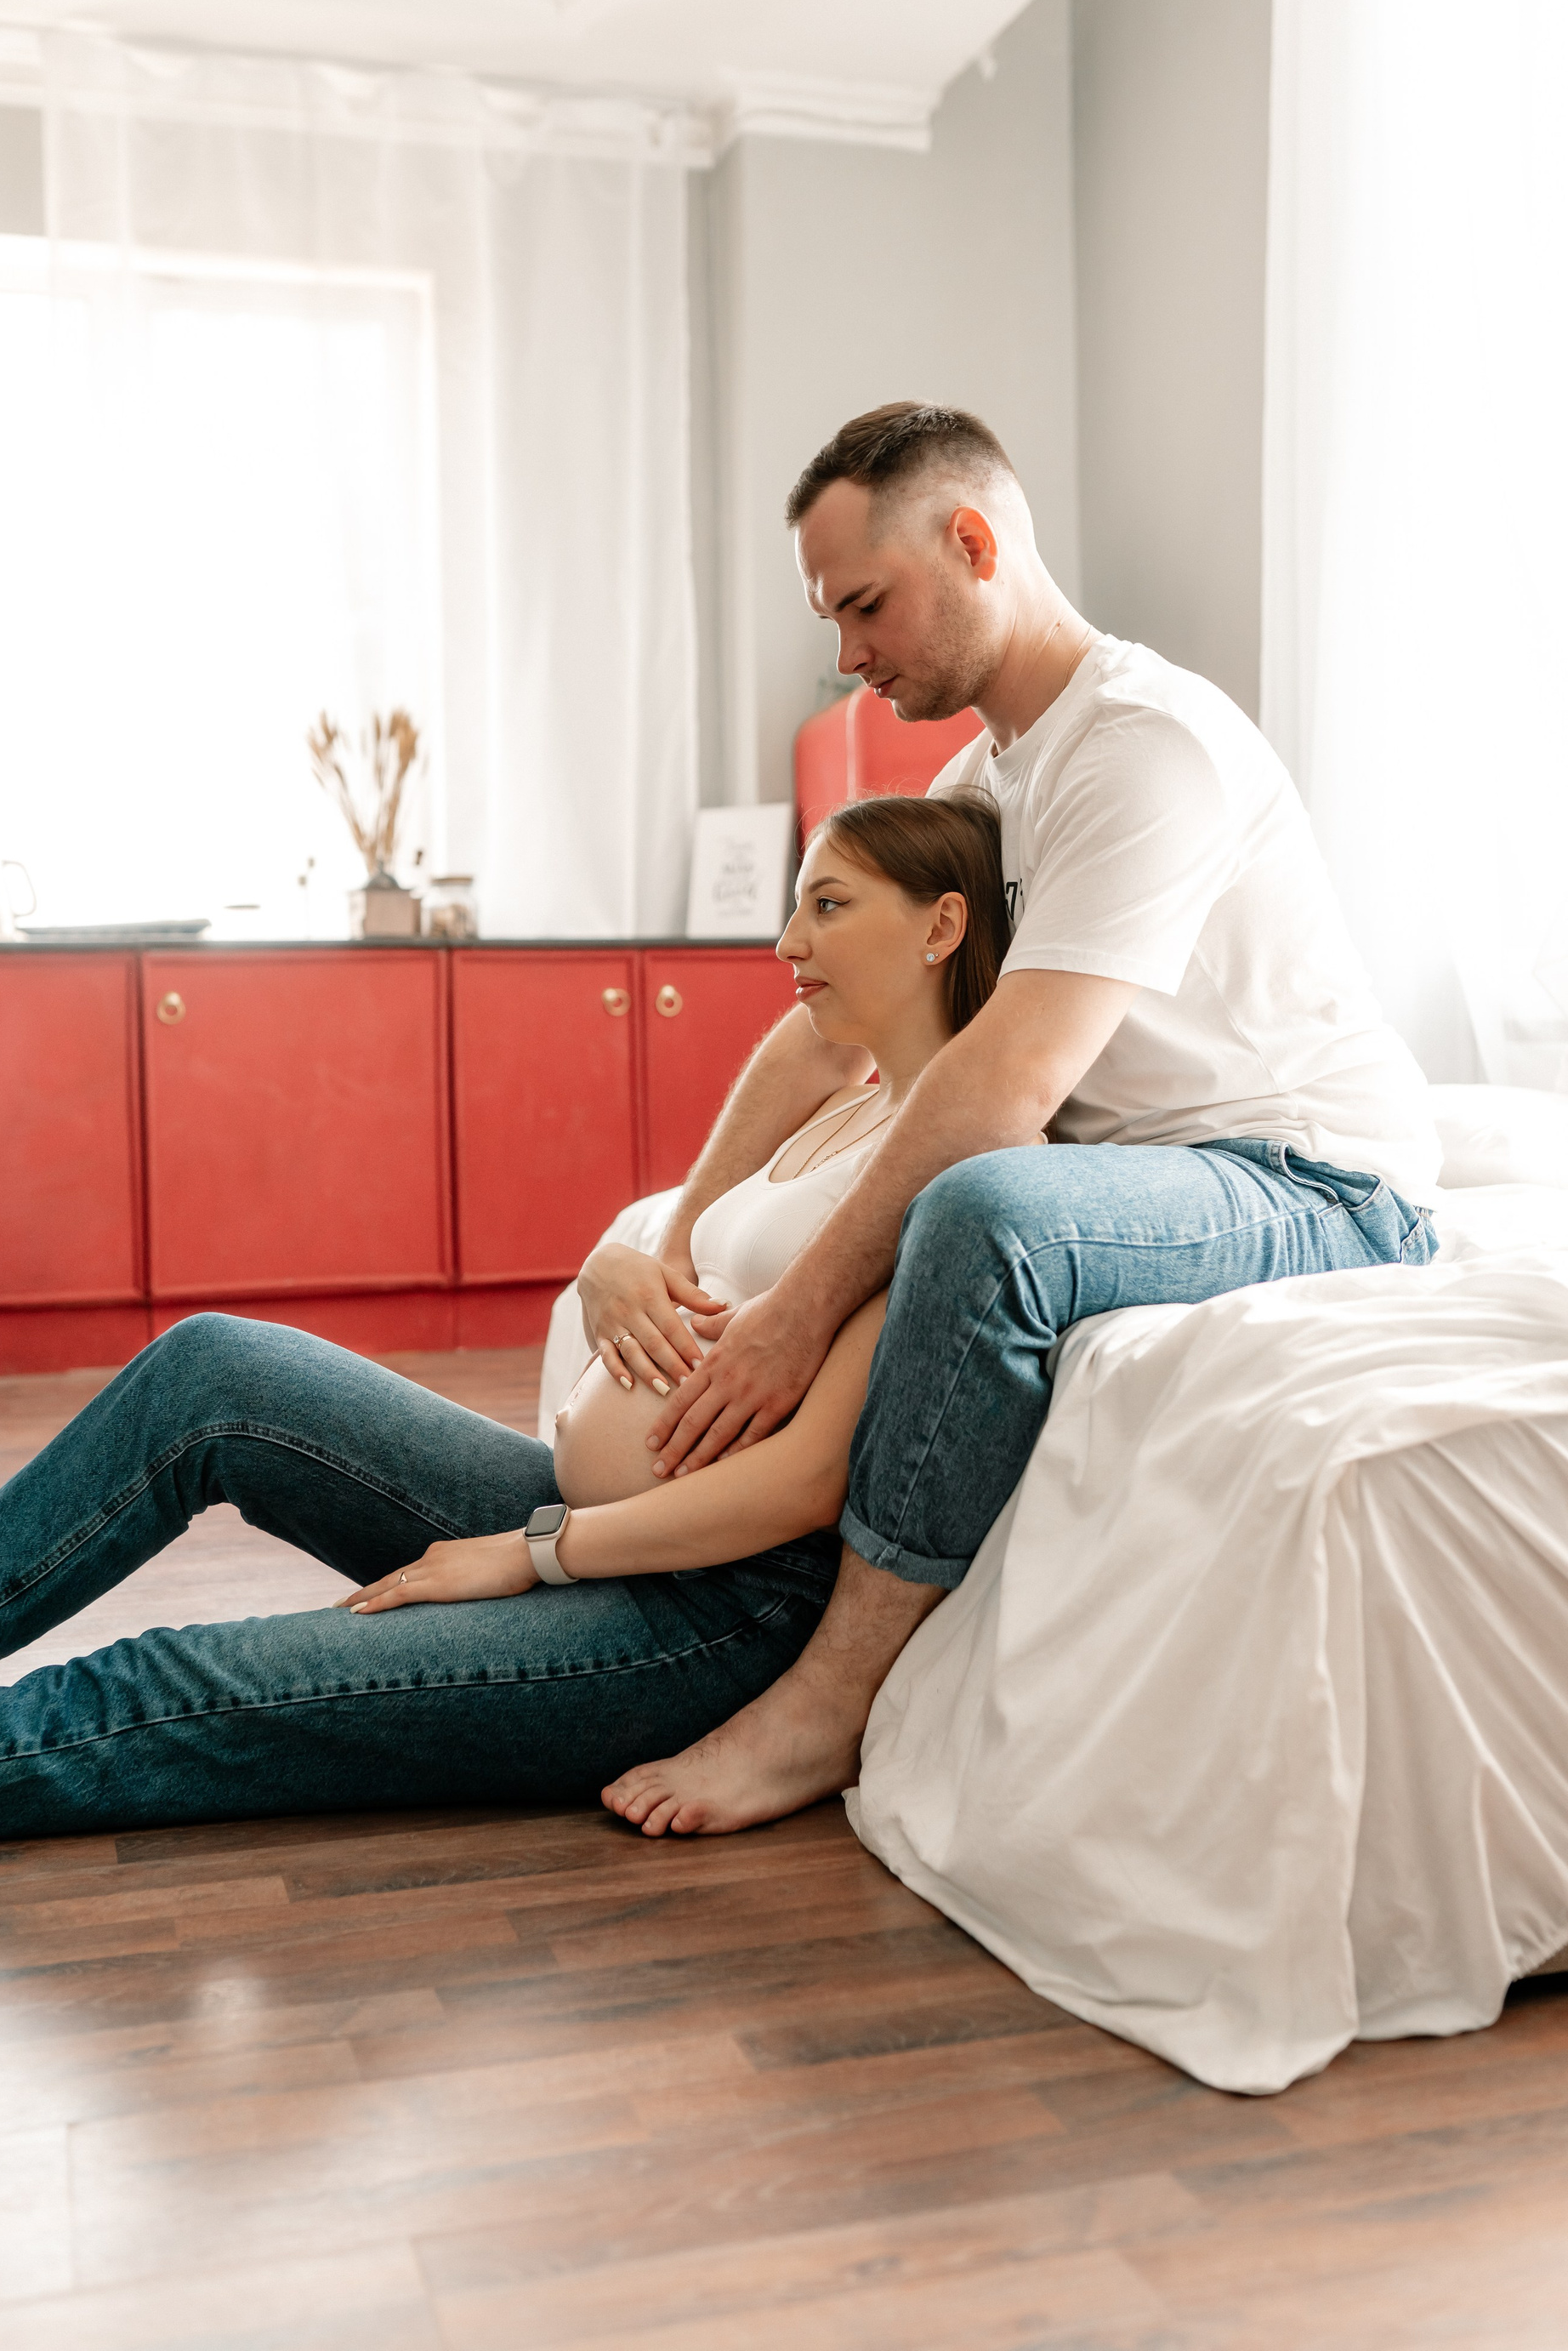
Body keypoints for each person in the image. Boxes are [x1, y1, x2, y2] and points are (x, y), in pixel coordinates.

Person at [591, 398, 1442, 1840]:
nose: (848, 654)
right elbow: (833, 1025)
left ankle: (829, 1700)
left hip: (1314, 1179)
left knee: (986, 1208)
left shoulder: (1146, 745)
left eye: (866, 603)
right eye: (832, 616)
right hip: (1156, 1170)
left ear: (975, 544)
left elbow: (1003, 1090)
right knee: (956, 1193)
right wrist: (678, 1232)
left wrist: (795, 1315)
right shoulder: (980, 781)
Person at [0, 795, 1007, 1845]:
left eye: (828, 905)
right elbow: (729, 1190)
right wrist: (620, 1262)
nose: (787, 940)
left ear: (942, 924)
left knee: (163, 1680)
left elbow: (808, 1481)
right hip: (594, 1520)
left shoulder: (957, 1172)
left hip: (709, 1615)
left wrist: (531, 1553)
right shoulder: (845, 1101)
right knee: (209, 1368)